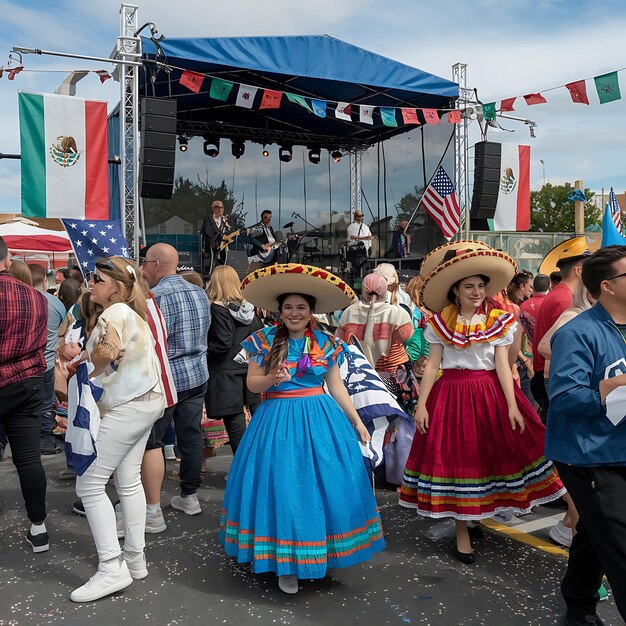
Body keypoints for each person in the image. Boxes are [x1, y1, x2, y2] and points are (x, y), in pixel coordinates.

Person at [220, 264, 384, 595]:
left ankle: (317, 554)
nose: (294, 313)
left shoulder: (326, 342)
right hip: (276, 420)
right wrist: (271, 379)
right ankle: (287, 563)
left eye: (301, 308)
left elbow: (336, 387)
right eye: (288, 307)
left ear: (311, 312)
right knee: (284, 487)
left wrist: (355, 421)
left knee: (322, 488)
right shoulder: (262, 340)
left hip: (320, 420)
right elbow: (252, 383)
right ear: (279, 311)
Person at [399, 247, 565, 564]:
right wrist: (422, 405)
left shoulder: (499, 321)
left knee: (488, 457)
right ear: (456, 292)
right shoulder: (438, 325)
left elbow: (502, 366)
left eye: (480, 286)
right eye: (469, 287)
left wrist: (513, 405)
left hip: (489, 392)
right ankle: (463, 531)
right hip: (451, 396)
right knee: (461, 460)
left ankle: (476, 517)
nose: (477, 293)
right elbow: (432, 365)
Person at [70, 257, 166, 602]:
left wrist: (88, 360)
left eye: (97, 278)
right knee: (128, 480)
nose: (90, 283)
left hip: (129, 404)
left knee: (90, 483)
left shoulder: (113, 313)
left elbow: (108, 353)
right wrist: (87, 357)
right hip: (146, 401)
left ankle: (112, 567)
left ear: (116, 286)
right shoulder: (131, 313)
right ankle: (135, 559)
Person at [546, 245, 626, 625]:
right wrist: (615, 386)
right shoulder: (578, 332)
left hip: (621, 449)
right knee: (619, 542)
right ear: (608, 286)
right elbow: (563, 397)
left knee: (596, 534)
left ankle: (578, 606)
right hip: (589, 454)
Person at [140, 243, 210, 521]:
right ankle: (189, 496)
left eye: (145, 263)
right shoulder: (200, 293)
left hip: (166, 378)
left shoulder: (153, 297)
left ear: (155, 265)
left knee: (152, 441)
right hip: (196, 374)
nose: (144, 269)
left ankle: (151, 507)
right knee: (190, 435)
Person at [0, 236, 49, 553]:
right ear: (6, 261)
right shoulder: (38, 297)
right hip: (28, 382)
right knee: (29, 459)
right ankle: (39, 527)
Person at [537, 280, 594, 550]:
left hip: (593, 398)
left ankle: (569, 526)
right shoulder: (573, 315)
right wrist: (580, 356)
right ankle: (570, 529)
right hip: (573, 392)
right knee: (581, 466)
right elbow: (544, 346)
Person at [205, 265, 262, 455]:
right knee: (259, 419)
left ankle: (242, 468)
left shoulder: (217, 309)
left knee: (235, 423)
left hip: (225, 371)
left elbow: (223, 342)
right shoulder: (250, 308)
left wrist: (205, 350)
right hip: (251, 370)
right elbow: (260, 337)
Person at [337, 273, 415, 410]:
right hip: (394, 376)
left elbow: (340, 341)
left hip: (360, 376)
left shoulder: (348, 313)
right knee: (396, 416)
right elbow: (407, 337)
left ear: (362, 290)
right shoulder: (398, 313)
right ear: (385, 292)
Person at [532, 238, 590, 421]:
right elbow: (559, 344)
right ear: (579, 270)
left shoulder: (559, 294)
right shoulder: (566, 300)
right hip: (554, 375)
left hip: (548, 373)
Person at [28, 263, 67, 454]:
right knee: (45, 403)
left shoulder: (23, 299)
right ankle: (45, 442)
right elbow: (62, 322)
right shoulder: (55, 303)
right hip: (47, 362)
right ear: (44, 279)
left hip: (25, 363)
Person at [519, 273, 551, 347]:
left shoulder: (523, 306)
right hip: (549, 347)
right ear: (549, 287)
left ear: (534, 287)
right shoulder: (552, 304)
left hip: (529, 349)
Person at [201, 200, 230, 269]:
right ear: (213, 209)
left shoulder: (224, 220)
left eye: (221, 207)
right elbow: (209, 233)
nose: (220, 209)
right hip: (209, 246)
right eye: (217, 207)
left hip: (221, 247)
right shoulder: (208, 218)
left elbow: (227, 232)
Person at [346, 210, 372, 277]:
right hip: (356, 252)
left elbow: (370, 237)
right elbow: (351, 237)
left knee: (364, 268)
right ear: (356, 217)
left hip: (365, 251)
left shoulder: (366, 226)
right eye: (359, 216)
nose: (361, 217)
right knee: (356, 268)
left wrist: (366, 241)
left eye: (362, 216)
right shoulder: (351, 226)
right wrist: (363, 238)